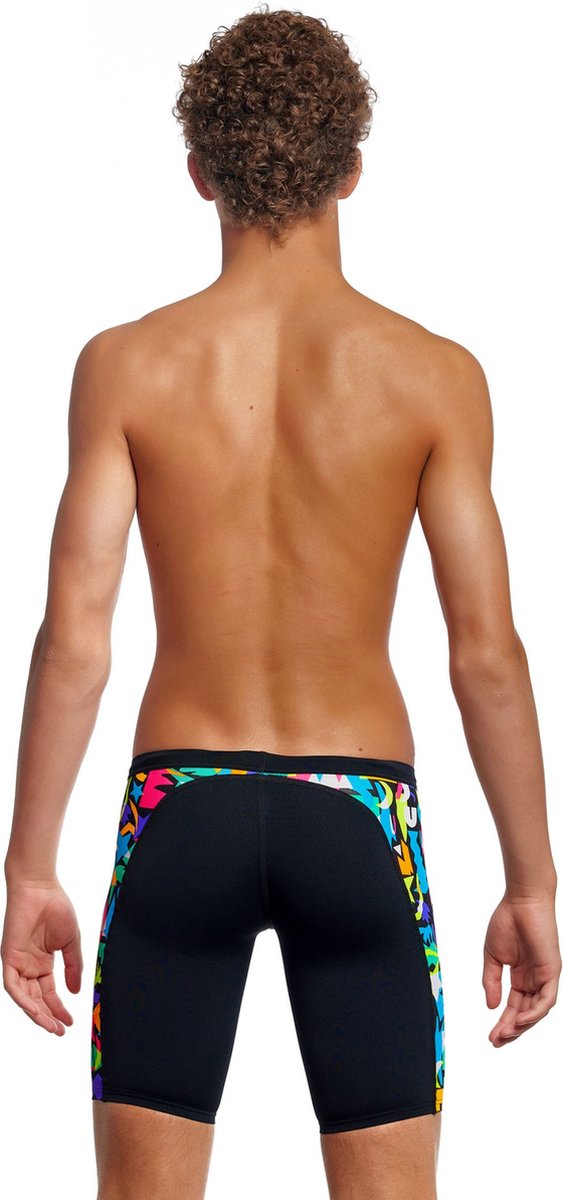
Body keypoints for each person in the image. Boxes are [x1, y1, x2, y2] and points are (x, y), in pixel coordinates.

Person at [1, 6, 560, 1199]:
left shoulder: (125, 365)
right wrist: (532, 882)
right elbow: (484, 654)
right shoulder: (433, 376)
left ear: (198, 171)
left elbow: (75, 640)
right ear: (351, 169)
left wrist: (27, 867)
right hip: (359, 815)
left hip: (178, 808)